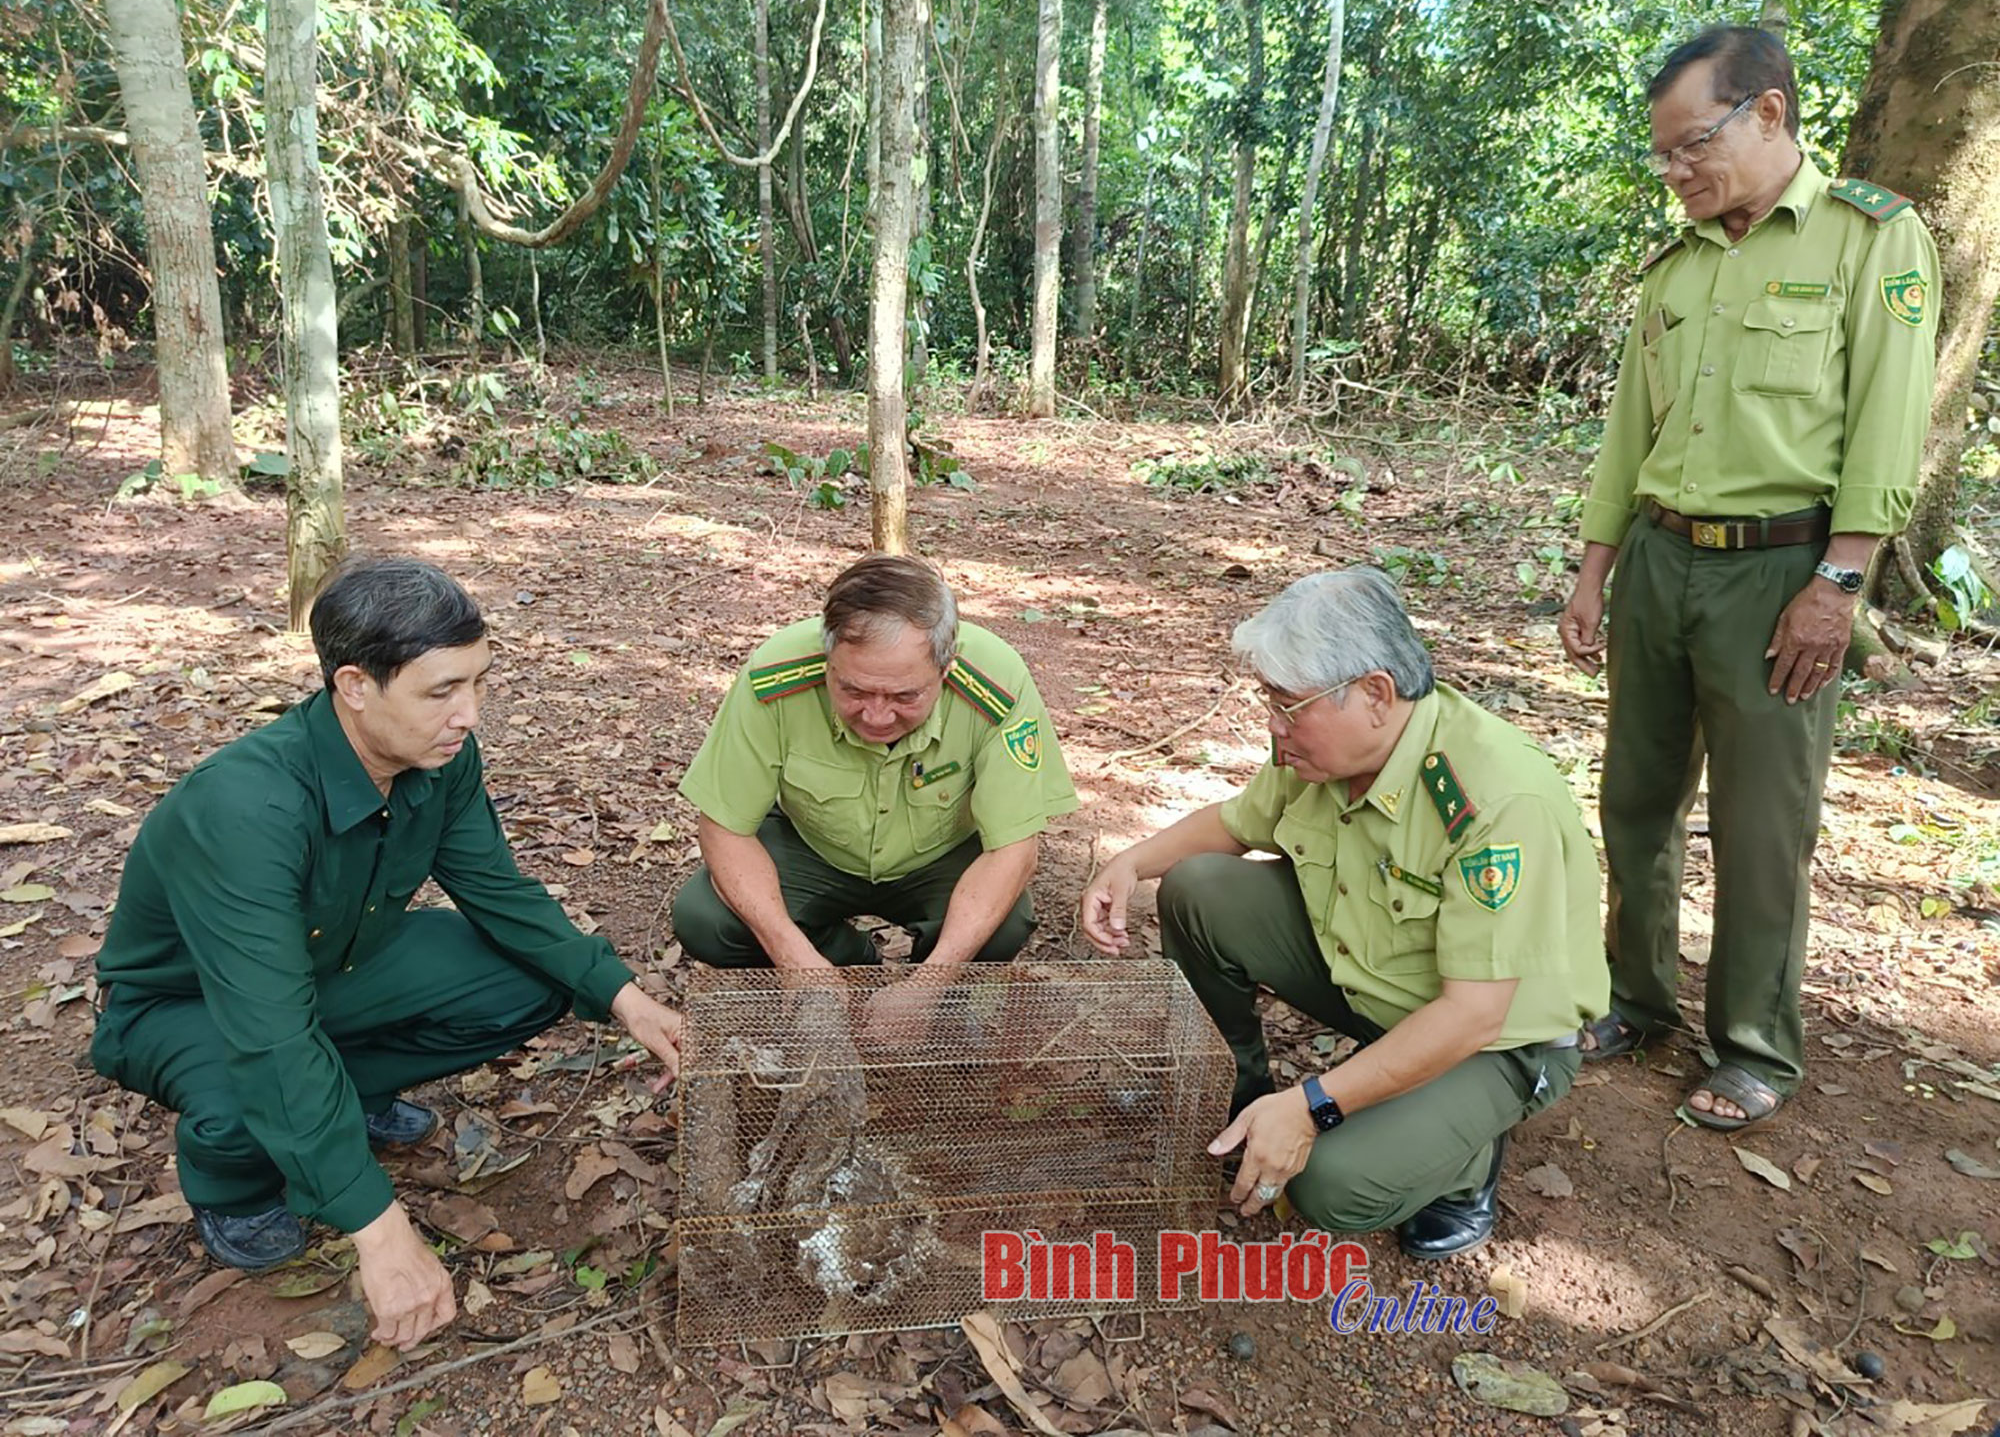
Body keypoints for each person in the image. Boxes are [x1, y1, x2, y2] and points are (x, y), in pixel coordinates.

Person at [91, 558, 683, 1350]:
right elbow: (267, 1035)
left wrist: (626, 997)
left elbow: (499, 892)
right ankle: (230, 1185)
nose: (468, 714)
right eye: (441, 691)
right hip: (186, 1005)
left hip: (335, 969)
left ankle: (341, 1102)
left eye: (478, 683)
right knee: (254, 1089)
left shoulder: (439, 760)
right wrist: (379, 1229)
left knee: (528, 978)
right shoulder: (245, 808)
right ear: (354, 685)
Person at [1560, 27, 1937, 1129]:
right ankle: (1633, 998)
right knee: (1633, 803)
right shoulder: (1672, 269)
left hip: (1780, 574)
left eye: (1691, 147)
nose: (1674, 172)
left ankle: (1753, 1046)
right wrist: (1592, 573)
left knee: (1762, 826)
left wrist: (1840, 584)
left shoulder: (1871, 238)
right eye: (1662, 157)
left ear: (1765, 114)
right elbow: (1628, 434)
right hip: (1660, 562)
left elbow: (1886, 422)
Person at [1081, 568, 1608, 1260]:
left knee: (1329, 1185)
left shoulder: (1496, 801)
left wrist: (1313, 1107)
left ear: (1377, 695)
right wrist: (1131, 862)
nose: (1274, 724)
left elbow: (1475, 1013)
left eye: (1289, 704)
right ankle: (1237, 1095)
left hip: (1496, 1042)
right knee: (1198, 888)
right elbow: (1238, 824)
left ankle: (1465, 1165)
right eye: (1269, 698)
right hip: (1377, 980)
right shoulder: (1318, 747)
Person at [673, 555, 1077, 1017]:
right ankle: (848, 963)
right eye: (854, 691)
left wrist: (925, 988)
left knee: (1004, 923)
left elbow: (1014, 851)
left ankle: (936, 999)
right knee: (707, 919)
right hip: (816, 847)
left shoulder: (997, 683)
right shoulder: (774, 674)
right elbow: (724, 827)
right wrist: (794, 957)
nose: (877, 717)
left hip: (938, 854)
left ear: (945, 673)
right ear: (828, 662)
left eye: (906, 696)